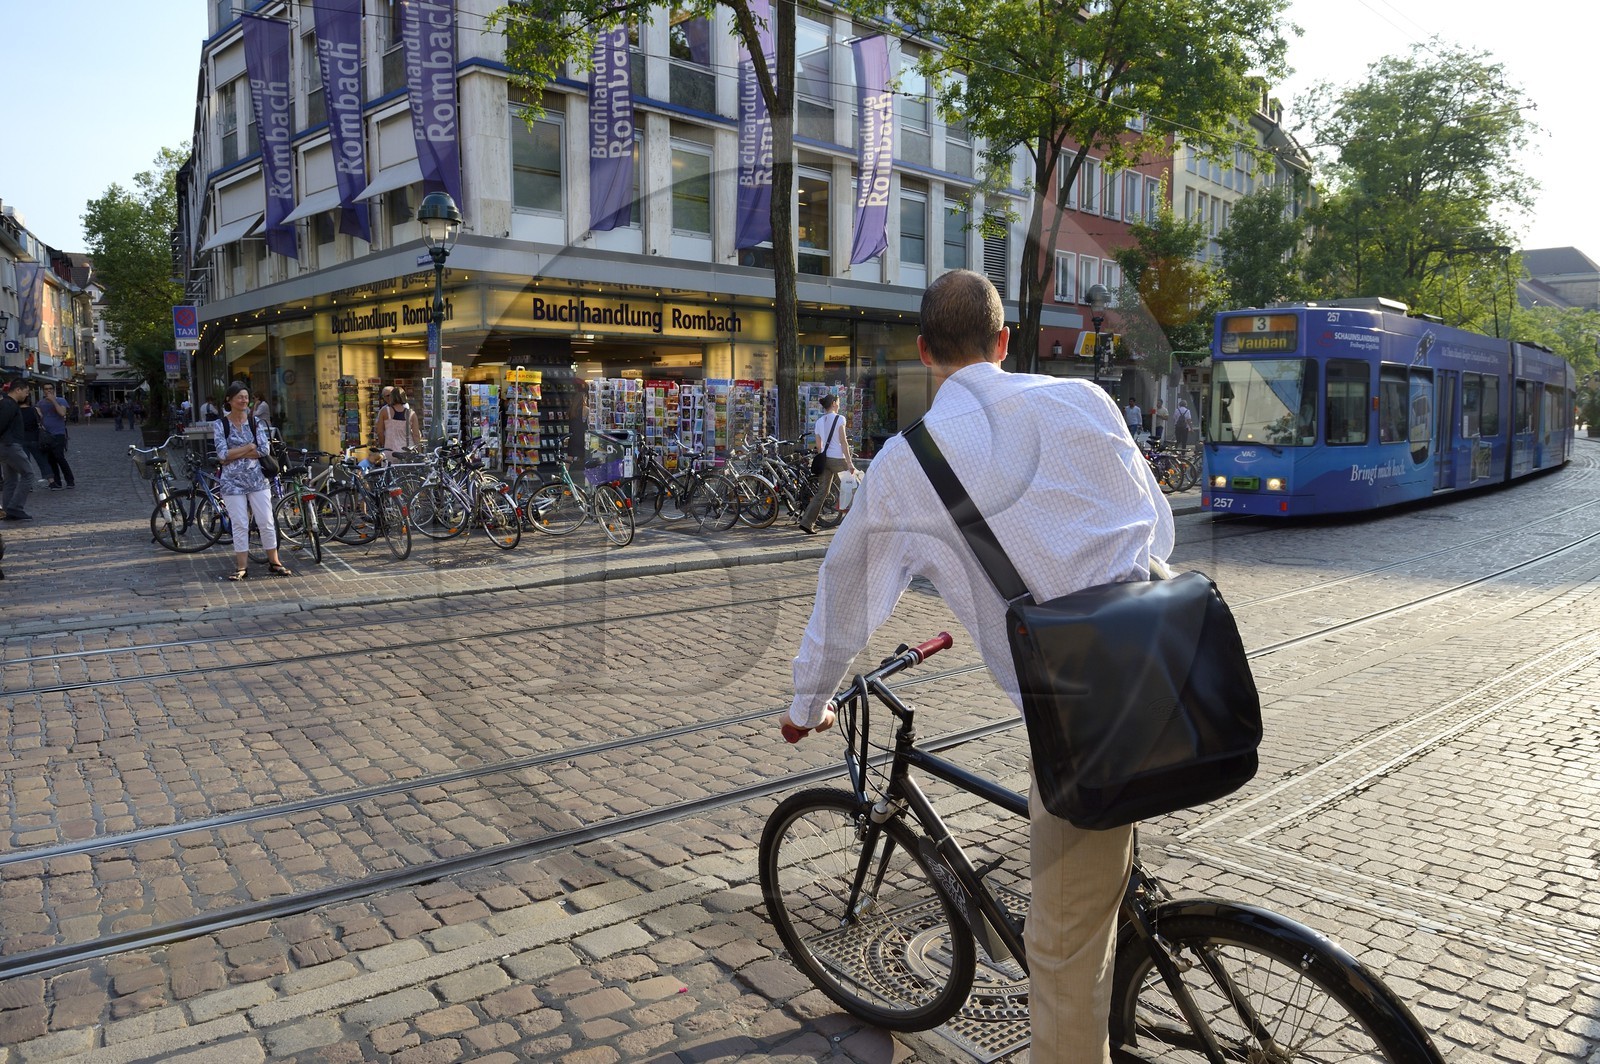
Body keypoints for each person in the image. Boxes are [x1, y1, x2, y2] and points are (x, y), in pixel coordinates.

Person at [784, 270, 1173, 1063]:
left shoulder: (908, 462)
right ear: (1005, 343)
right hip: (1169, 669)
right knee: (1096, 898)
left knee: (1060, 952)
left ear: (925, 351)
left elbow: (847, 592)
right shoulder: (1087, 403)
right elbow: (1154, 530)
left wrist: (808, 701)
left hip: (1080, 717)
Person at [213, 381, 292, 580]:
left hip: (258, 480)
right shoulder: (220, 424)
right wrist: (249, 447)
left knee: (266, 521)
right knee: (240, 524)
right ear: (229, 400)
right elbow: (222, 454)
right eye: (240, 397)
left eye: (246, 397)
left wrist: (235, 453)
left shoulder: (255, 422)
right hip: (232, 483)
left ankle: (275, 563)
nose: (244, 400)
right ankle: (241, 567)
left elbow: (264, 450)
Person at [798, 393, 857, 535]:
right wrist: (849, 463)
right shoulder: (839, 419)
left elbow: (819, 446)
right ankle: (855, 524)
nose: (839, 404)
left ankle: (807, 522)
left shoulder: (819, 422)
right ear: (834, 404)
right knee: (855, 487)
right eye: (838, 401)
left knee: (822, 492)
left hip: (825, 460)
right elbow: (843, 442)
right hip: (838, 459)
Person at [0, 379, 37, 520]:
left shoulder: (7, 403)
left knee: (11, 479)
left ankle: (9, 510)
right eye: (26, 392)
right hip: (10, 445)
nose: (26, 395)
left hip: (6, 445)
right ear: (18, 390)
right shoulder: (9, 404)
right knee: (28, 474)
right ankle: (15, 507)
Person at [36, 384, 74, 489]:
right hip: (46, 435)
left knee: (59, 457)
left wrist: (53, 401)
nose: (48, 391)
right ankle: (57, 482)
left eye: (50, 389)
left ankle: (70, 480)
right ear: (43, 391)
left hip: (58, 433)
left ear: (53, 390)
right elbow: (39, 416)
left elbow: (62, 413)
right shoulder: (40, 403)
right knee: (50, 459)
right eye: (46, 389)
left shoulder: (61, 400)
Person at [376, 387, 421, 457]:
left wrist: (383, 445)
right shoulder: (412, 414)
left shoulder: (384, 411)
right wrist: (419, 451)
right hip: (408, 452)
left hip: (390, 451)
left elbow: (379, 432)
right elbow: (416, 435)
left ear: (392, 397)